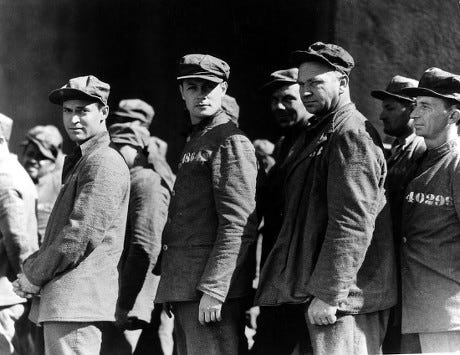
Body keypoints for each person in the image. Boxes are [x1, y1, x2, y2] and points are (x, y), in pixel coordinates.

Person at [255, 42, 397, 355]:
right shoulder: (322, 130)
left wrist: (331, 293)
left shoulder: (350, 133)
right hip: (310, 293)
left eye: (316, 83)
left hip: (340, 301)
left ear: (343, 83)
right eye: (303, 84)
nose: (306, 91)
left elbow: (354, 221)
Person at [13, 75, 130, 355]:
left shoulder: (103, 161)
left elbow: (78, 236)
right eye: (68, 111)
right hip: (67, 303)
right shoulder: (86, 159)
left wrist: (33, 276)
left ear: (103, 113)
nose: (73, 119)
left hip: (76, 305)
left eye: (82, 110)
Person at [154, 53, 258, 355]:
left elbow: (238, 224)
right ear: (182, 92)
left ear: (223, 89)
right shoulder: (200, 138)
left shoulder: (229, 140)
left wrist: (215, 287)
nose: (201, 95)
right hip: (188, 287)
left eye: (209, 87)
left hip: (208, 294)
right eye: (193, 87)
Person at [398, 67, 460, 353]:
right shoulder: (417, 157)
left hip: (444, 314)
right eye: (414, 106)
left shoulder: (457, 164)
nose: (414, 115)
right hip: (409, 308)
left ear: (454, 115)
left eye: (425, 106)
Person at [250, 68, 312, 355]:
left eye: (288, 98)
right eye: (274, 100)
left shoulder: (316, 142)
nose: (279, 107)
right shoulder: (285, 144)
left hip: (303, 280)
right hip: (279, 279)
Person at [370, 75, 426, 353]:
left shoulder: (420, 151)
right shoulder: (397, 149)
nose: (381, 115)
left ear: (412, 108)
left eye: (390, 108)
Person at [0, 113, 38, 355]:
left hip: (5, 297)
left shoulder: (4, 177)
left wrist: (28, 284)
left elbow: (16, 240)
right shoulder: (12, 171)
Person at [20, 125, 64, 245]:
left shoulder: (60, 183)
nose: (33, 160)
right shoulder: (18, 180)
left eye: (41, 157)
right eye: (30, 154)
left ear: (53, 161)